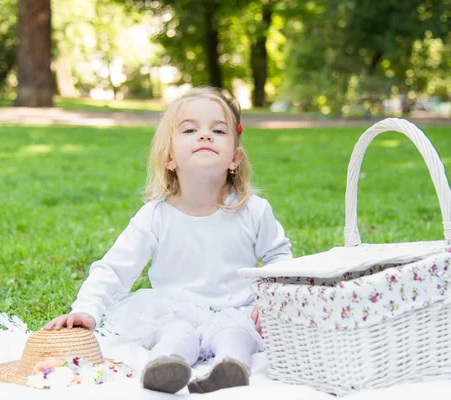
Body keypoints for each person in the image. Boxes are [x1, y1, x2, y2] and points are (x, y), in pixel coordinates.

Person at [43, 87, 293, 394]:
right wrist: (88, 308)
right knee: (176, 330)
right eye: (190, 129)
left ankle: (232, 367)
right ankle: (167, 365)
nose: (205, 136)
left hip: (236, 308)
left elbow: (279, 259)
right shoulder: (155, 216)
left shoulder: (252, 210)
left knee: (236, 333)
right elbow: (115, 269)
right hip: (176, 308)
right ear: (170, 157)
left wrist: (272, 299)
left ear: (235, 157)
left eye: (218, 130)